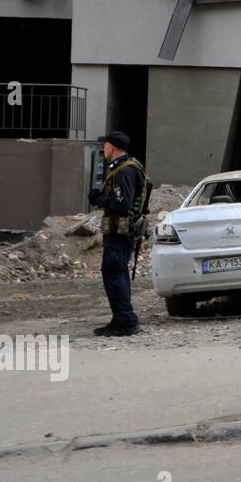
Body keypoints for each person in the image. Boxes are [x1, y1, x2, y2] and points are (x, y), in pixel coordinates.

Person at [90, 131, 149, 338]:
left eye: (105, 145)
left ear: (113, 147)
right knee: (115, 273)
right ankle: (120, 319)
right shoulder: (125, 167)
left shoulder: (124, 171)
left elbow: (122, 203)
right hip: (120, 229)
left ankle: (126, 321)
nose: (103, 149)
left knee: (114, 272)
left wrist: (100, 201)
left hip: (120, 230)